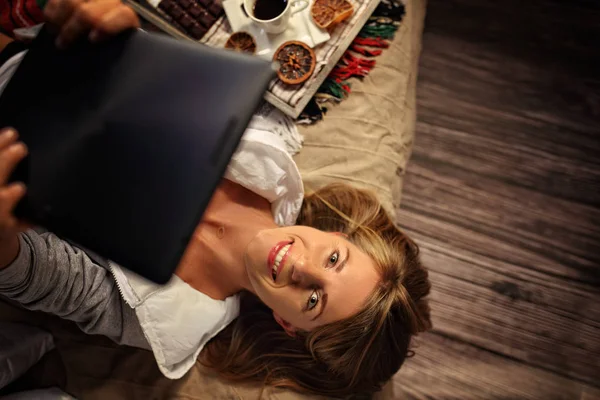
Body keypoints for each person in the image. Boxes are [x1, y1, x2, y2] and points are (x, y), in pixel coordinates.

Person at [0, 0, 432, 397]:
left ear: (289, 326)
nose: (301, 267)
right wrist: (108, 27)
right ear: (338, 235)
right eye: (334, 259)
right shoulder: (269, 145)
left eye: (314, 300)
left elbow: (40, 278)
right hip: (28, 39)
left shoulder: (168, 320)